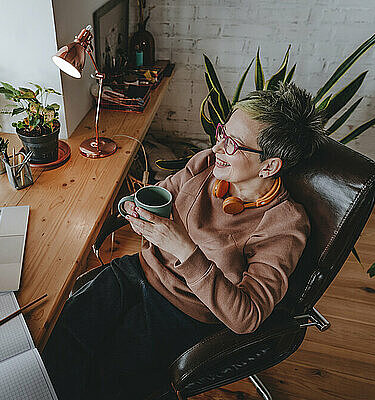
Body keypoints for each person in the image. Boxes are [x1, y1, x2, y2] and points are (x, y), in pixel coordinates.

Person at [42, 82, 326, 400]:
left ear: (269, 166)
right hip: (136, 270)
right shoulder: (207, 165)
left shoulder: (284, 226)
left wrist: (183, 249)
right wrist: (135, 208)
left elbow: (247, 317)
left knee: (102, 379)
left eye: (233, 144)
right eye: (222, 133)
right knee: (56, 340)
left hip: (182, 311)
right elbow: (162, 192)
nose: (217, 147)